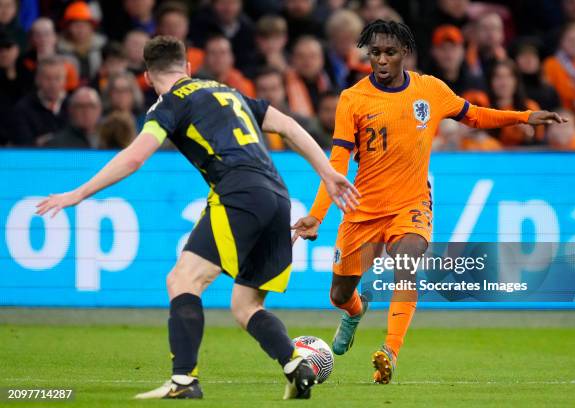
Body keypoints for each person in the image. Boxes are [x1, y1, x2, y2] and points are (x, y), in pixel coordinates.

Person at [36, 35, 358, 400]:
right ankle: (295, 365)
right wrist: (328, 173)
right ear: (188, 67)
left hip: (238, 193)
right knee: (246, 305)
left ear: (146, 76)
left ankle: (184, 381)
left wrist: (78, 193)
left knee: (183, 280)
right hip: (278, 197)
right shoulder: (229, 92)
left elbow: (135, 157)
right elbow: (288, 127)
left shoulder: (168, 106)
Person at [292, 19, 566, 385]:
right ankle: (355, 314)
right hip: (362, 211)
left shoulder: (430, 90)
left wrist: (523, 116)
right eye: (375, 53)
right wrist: (316, 216)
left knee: (407, 262)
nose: (382, 60)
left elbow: (473, 115)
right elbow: (337, 163)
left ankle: (389, 352)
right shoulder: (352, 99)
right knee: (340, 294)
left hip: (412, 204)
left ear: (404, 52)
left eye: (390, 52)